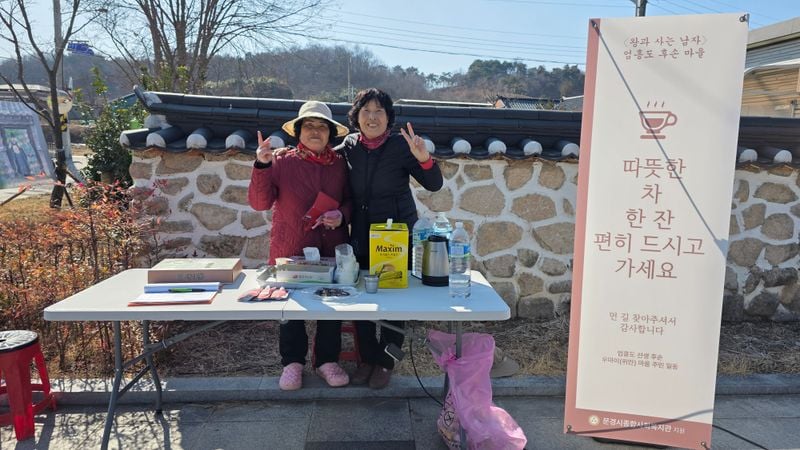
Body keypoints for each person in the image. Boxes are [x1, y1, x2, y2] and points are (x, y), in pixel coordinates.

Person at [336, 88, 443, 389]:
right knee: (362, 298)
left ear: (388, 117)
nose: (372, 117)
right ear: (356, 116)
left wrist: (424, 158)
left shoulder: (400, 146)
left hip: (396, 237)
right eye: (366, 111)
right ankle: (366, 359)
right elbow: (323, 160)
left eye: (379, 111)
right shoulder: (350, 145)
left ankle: (386, 362)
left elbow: (434, 184)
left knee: (394, 300)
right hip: (361, 234)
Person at [248, 100, 352, 391]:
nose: (315, 131)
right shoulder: (281, 161)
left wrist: (342, 215)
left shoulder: (340, 164)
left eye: (322, 127)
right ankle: (292, 362)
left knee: (330, 305)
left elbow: (350, 200)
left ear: (330, 133)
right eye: (309, 126)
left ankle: (326, 361)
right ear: (298, 132)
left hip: (330, 245)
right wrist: (262, 165)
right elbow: (260, 202)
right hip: (290, 247)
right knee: (289, 307)